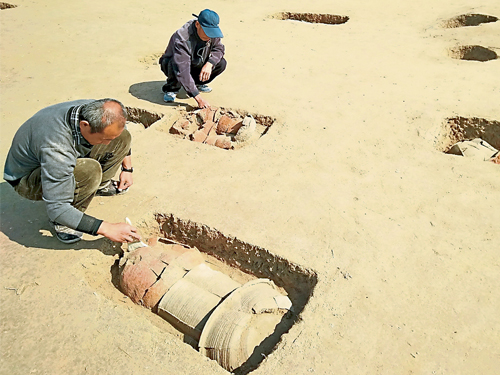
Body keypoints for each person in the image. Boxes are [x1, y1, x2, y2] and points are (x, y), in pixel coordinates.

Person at [3, 99, 142, 244]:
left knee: (123, 137)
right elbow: (57, 208)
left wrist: (127, 169)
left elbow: (117, 133)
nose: (108, 143)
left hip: (53, 160)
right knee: (89, 171)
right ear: (84, 125)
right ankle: (63, 224)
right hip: (27, 179)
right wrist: (107, 228)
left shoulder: (93, 109)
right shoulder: (56, 147)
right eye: (104, 139)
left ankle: (101, 185)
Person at [159, 9, 226, 108]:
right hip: (174, 65)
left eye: (211, 32)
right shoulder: (182, 38)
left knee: (221, 63)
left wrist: (210, 64)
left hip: (196, 62)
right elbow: (182, 70)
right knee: (175, 64)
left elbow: (219, 49)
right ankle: (172, 88)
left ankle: (197, 83)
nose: (209, 36)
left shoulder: (212, 33)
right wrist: (198, 98)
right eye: (207, 31)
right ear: (197, 24)